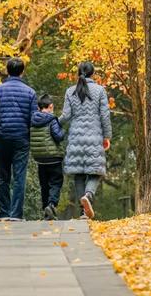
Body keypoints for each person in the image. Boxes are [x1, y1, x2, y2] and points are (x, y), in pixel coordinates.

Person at [59, 61, 112, 220]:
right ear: (92, 74)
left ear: (78, 73)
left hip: (76, 137)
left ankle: (84, 211)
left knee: (79, 174)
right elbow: (104, 115)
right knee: (95, 171)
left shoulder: (70, 91)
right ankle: (88, 196)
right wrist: (107, 136)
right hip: (94, 136)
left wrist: (52, 123)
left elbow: (66, 116)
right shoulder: (100, 90)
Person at [0, 56, 38, 220]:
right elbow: (33, 119)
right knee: (19, 177)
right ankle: (16, 214)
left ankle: (3, 212)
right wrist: (29, 137)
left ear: (7, 71)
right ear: (22, 72)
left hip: (2, 138)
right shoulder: (30, 92)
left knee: (3, 177)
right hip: (21, 139)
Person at [30, 93, 65, 220]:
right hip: (53, 157)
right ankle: (51, 204)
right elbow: (58, 136)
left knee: (44, 184)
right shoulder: (52, 120)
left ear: (39, 107)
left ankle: (46, 212)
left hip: (40, 159)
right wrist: (63, 131)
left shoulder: (33, 121)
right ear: (50, 106)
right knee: (56, 182)